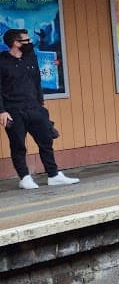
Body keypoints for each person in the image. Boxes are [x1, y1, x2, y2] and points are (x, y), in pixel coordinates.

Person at [0, 28, 78, 190]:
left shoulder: (30, 56)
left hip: (34, 108)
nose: (30, 42)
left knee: (46, 142)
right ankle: (24, 177)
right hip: (13, 111)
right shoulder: (2, 61)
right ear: (16, 43)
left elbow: (37, 82)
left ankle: (53, 175)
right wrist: (2, 111)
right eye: (26, 40)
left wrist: (41, 105)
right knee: (18, 145)